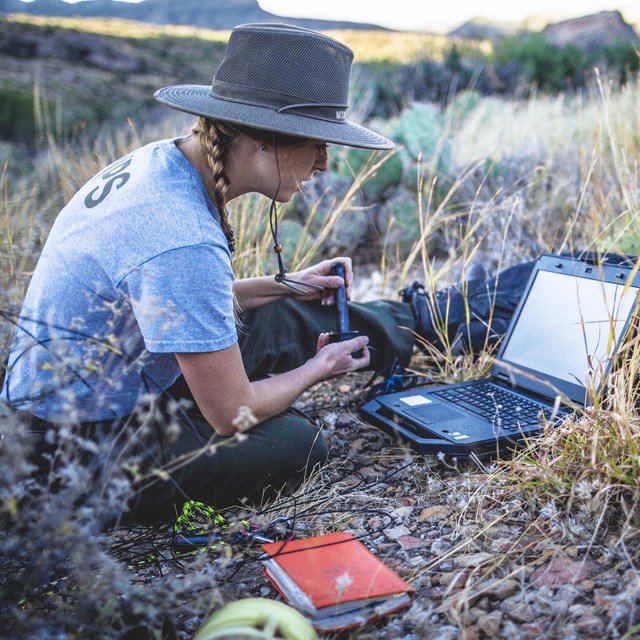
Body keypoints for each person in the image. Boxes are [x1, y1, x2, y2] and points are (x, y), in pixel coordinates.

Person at [1, 23, 525, 524]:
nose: (323, 163)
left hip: (101, 388)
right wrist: (319, 369)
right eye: (315, 142)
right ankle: (417, 329)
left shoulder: (164, 164)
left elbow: (171, 300)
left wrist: (284, 284)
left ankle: (438, 320)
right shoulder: (181, 234)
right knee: (298, 444)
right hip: (74, 450)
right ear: (263, 139)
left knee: (279, 311)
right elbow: (233, 416)